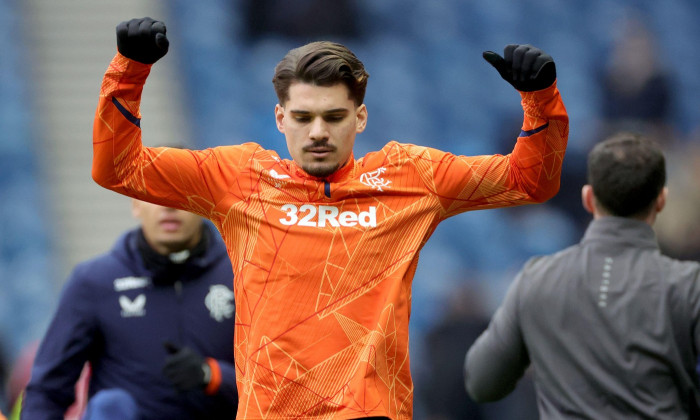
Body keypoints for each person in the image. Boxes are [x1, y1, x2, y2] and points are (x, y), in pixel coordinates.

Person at [92, 17, 568, 419]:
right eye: (303, 117)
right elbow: (117, 168)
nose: (318, 132)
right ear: (280, 119)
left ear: (359, 118)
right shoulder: (237, 177)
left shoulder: (413, 176)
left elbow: (530, 182)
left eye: (334, 117)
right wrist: (129, 71)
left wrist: (540, 99)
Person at [464, 132, 700, 418]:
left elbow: (482, 383)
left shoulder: (537, 278)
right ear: (660, 201)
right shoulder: (689, 287)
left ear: (589, 199)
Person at [21, 200, 238, 419]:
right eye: (155, 195)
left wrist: (213, 376)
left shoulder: (242, 276)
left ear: (203, 202)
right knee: (112, 405)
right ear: (136, 205)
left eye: (178, 193)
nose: (168, 206)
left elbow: (271, 383)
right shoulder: (94, 281)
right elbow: (48, 390)